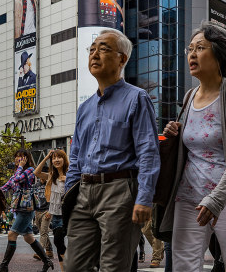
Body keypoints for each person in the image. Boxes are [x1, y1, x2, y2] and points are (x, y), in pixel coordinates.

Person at [64, 29, 160, 272]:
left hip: (120, 192)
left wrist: (144, 198)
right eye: (92, 49)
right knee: (74, 266)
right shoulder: (84, 108)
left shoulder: (137, 98)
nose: (95, 54)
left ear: (122, 59)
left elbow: (148, 152)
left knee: (114, 267)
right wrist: (70, 196)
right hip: (83, 192)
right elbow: (75, 156)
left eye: (104, 48)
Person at [163, 22, 226, 270]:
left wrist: (216, 199)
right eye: (190, 48)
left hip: (222, 195)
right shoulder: (189, 97)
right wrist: (173, 135)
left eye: (200, 48)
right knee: (184, 266)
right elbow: (192, 146)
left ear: (219, 53)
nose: (192, 54)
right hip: (188, 196)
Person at [0, 148, 53, 272]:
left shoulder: (30, 170)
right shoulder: (18, 171)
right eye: (17, 156)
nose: (18, 159)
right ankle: (46, 261)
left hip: (27, 208)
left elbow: (17, 179)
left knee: (12, 234)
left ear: (27, 159)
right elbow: (6, 186)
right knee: (28, 237)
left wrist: (20, 167)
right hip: (19, 208)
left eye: (22, 156)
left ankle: (4, 266)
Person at [34, 149, 69, 272]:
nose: (56, 160)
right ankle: (65, 268)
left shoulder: (70, 175)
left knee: (63, 240)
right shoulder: (51, 177)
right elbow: (36, 172)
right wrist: (46, 157)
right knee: (58, 242)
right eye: (54, 158)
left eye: (59, 157)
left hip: (69, 214)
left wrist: (67, 179)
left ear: (64, 159)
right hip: (56, 215)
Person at [33, 166, 54, 261]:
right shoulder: (35, 185)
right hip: (37, 211)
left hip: (47, 210)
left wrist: (50, 210)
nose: (42, 177)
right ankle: (49, 250)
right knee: (42, 231)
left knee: (44, 231)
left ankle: (40, 252)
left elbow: (54, 198)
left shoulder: (51, 184)